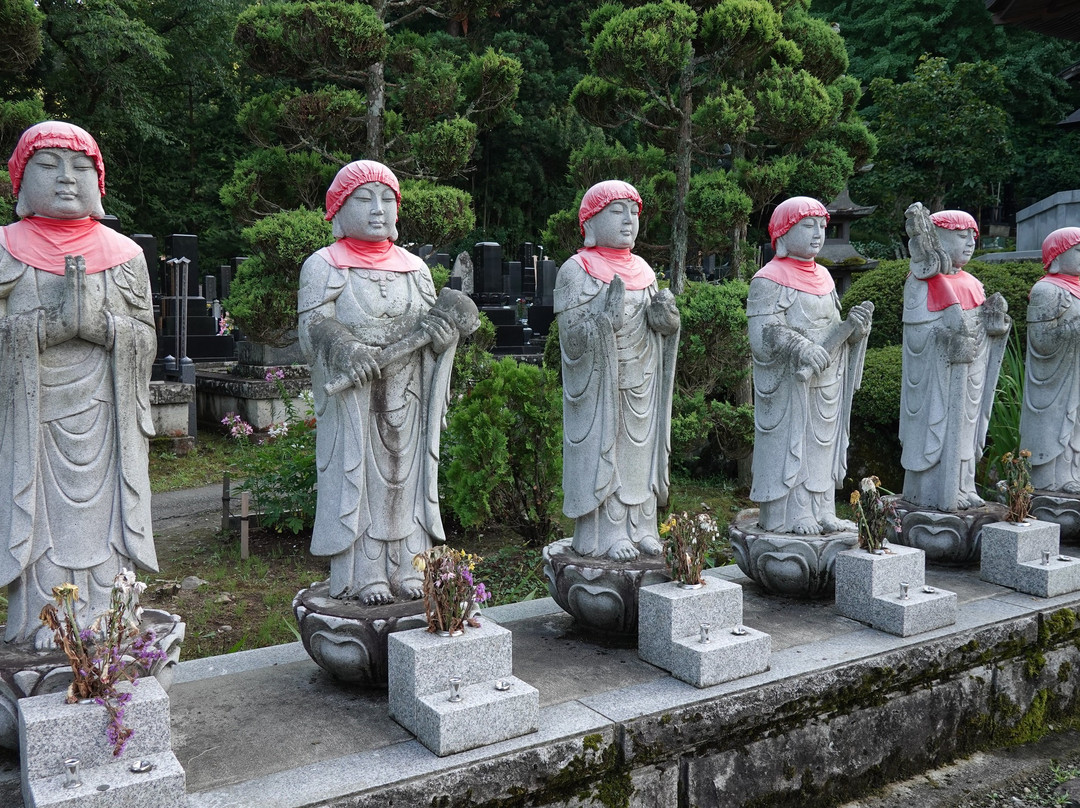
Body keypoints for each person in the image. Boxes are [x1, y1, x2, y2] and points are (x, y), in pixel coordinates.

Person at [0, 122, 158, 646]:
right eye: (48, 166)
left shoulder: (125, 254)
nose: (67, 178)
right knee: (43, 518)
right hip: (34, 418)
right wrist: (47, 329)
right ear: (21, 182)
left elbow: (145, 337)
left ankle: (109, 610)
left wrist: (101, 327)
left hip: (107, 411)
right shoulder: (4, 250)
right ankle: (47, 617)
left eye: (81, 167)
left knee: (106, 519)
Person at [298, 160, 459, 605]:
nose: (378, 209)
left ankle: (410, 566)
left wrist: (442, 341)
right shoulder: (323, 266)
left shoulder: (415, 269)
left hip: (409, 395)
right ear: (338, 208)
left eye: (388, 199)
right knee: (361, 482)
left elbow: (434, 327)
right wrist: (345, 348)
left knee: (407, 481)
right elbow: (313, 328)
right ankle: (365, 573)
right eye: (364, 199)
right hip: (357, 400)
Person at [554, 180, 680, 562]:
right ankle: (607, 534)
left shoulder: (644, 271)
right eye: (617, 211)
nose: (629, 219)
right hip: (601, 389)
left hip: (644, 381)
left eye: (634, 212)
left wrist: (666, 322)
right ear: (590, 222)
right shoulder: (575, 271)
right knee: (608, 454)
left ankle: (643, 528)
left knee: (639, 455)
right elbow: (571, 340)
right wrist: (603, 323)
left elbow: (658, 327)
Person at [748, 196, 873, 535]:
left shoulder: (825, 277)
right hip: (791, 386)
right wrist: (800, 346)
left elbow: (834, 329)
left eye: (822, 226)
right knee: (796, 445)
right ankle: (794, 514)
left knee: (822, 445)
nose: (818, 233)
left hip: (827, 380)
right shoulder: (767, 279)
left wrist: (855, 332)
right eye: (808, 225)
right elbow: (762, 334)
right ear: (783, 233)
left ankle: (823, 509)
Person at [900, 204, 1010, 511]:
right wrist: (947, 341)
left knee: (966, 426)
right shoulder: (920, 282)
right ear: (937, 238)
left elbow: (982, 331)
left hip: (971, 371)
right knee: (938, 424)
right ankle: (931, 489)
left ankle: (964, 484)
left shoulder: (973, 283)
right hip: (936, 377)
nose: (970, 243)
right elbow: (917, 337)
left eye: (973, 236)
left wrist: (994, 326)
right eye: (962, 236)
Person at [1020, 227, 1080, 493]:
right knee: (1056, 425)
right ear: (1057, 255)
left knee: (1076, 426)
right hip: (1055, 377)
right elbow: (1041, 341)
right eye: (1078, 250)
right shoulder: (1046, 290)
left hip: (1077, 371)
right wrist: (1074, 330)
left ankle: (1073, 475)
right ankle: (1049, 481)